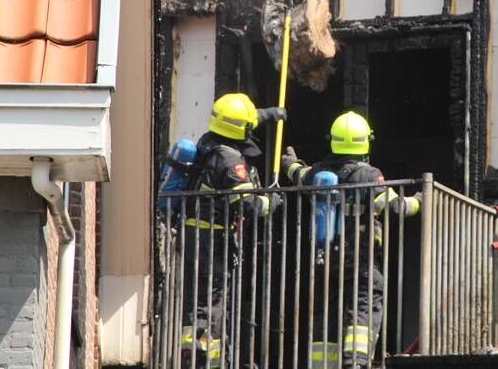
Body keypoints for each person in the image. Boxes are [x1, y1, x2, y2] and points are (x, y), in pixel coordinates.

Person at [281, 111, 421, 369]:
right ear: (365, 141)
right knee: (364, 305)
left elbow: (298, 175)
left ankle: (322, 364)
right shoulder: (368, 175)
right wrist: (420, 200)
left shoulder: (319, 172)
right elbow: (395, 208)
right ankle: (355, 362)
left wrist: (289, 162)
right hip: (361, 259)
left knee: (328, 312)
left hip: (326, 260)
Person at [179, 92, 286, 366]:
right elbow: (248, 204)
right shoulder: (230, 162)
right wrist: (271, 201)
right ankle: (207, 359)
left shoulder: (209, 143)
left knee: (197, 297)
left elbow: (243, 120)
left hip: (194, 234)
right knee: (212, 299)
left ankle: (194, 351)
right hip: (210, 239)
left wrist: (271, 114)